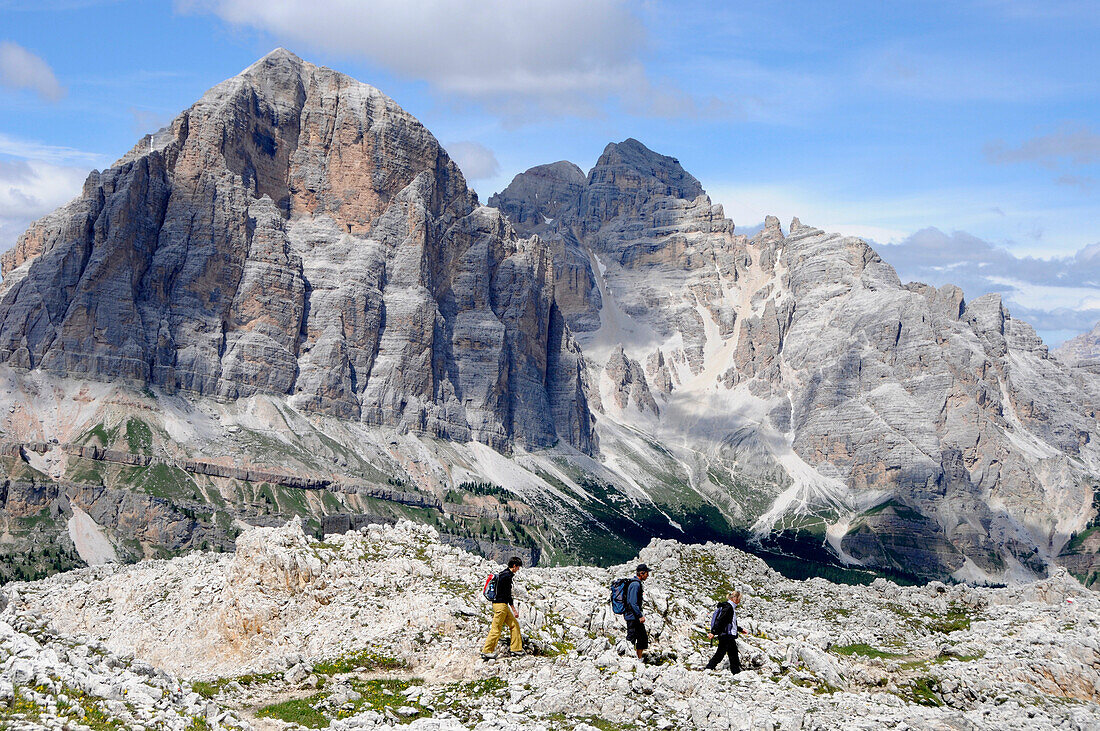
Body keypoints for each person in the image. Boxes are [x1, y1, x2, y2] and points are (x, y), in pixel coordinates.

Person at [481, 557, 524, 658]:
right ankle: (487, 651)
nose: (518, 569)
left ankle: (516, 648)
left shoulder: (502, 573)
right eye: (518, 567)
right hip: (501, 606)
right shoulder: (507, 577)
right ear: (514, 566)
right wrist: (514, 609)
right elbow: (507, 595)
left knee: (514, 624)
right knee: (496, 628)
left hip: (499, 605)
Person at [706, 590, 746, 674]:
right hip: (727, 636)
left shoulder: (727, 606)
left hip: (726, 635)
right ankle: (709, 668)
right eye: (739, 599)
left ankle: (735, 673)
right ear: (735, 598)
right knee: (725, 655)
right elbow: (722, 621)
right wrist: (713, 632)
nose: (739, 602)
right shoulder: (728, 608)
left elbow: (730, 623)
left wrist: (740, 629)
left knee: (730, 654)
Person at [623, 564, 650, 659]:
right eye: (647, 573)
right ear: (642, 573)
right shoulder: (635, 584)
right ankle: (626, 658)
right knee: (631, 638)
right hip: (633, 616)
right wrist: (640, 615)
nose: (648, 575)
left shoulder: (636, 583)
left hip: (633, 616)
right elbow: (633, 602)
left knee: (642, 637)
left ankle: (638, 658)